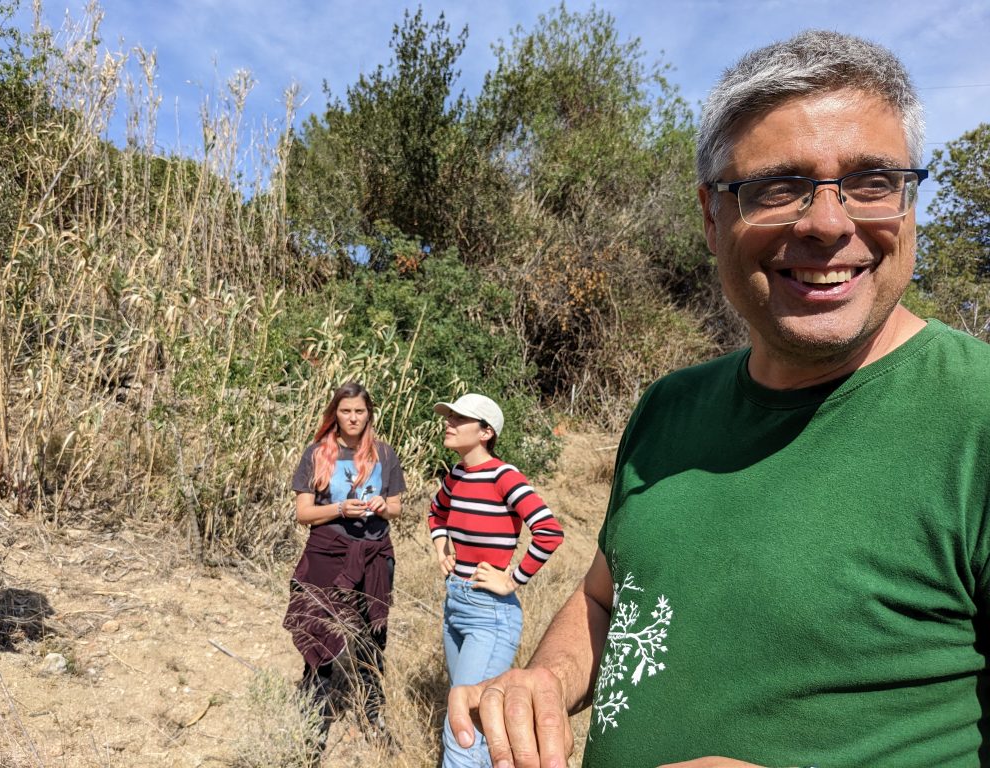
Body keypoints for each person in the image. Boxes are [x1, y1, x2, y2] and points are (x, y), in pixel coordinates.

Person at [446, 29, 990, 768]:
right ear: (711, 218)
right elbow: (611, 596)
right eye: (778, 187)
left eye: (870, 182)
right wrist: (550, 678)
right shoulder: (669, 410)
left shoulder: (975, 415)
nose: (828, 223)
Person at [429, 393, 565, 767]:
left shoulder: (505, 476)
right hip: (455, 604)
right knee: (479, 721)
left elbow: (549, 532)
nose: (449, 422)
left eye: (460, 418)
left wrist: (513, 579)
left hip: (489, 615)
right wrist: (443, 549)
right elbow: (436, 513)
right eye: (449, 416)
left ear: (486, 431)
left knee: (462, 728)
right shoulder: (456, 475)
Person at [282, 380, 406, 751]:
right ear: (334, 413)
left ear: (369, 415)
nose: (353, 418)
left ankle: (374, 718)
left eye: (360, 411)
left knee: (372, 638)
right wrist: (339, 508)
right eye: (346, 411)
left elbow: (398, 505)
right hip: (327, 554)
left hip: (374, 555)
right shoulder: (318, 453)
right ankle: (313, 728)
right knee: (319, 635)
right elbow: (303, 513)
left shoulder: (384, 454)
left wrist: (385, 507)